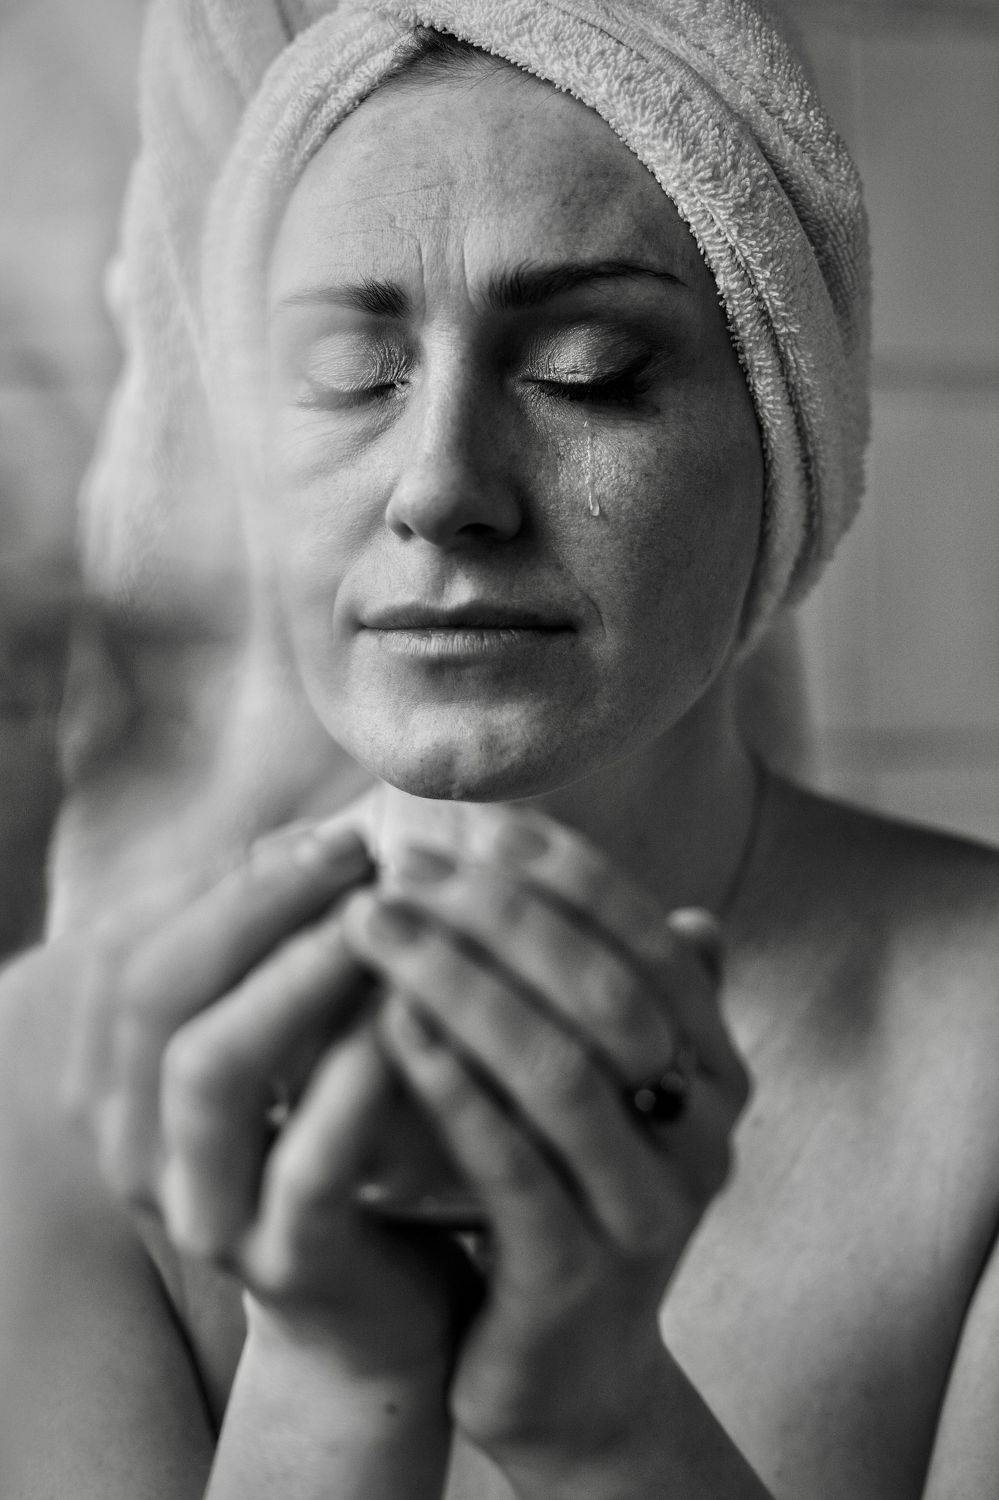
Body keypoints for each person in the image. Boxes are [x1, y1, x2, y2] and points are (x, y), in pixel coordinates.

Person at [3, 3, 999, 1497]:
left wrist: (602, 1419)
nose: (441, 486)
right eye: (347, 372)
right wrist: (333, 1372)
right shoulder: (42, 1089)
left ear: (788, 444)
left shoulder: (979, 1072)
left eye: (588, 370)